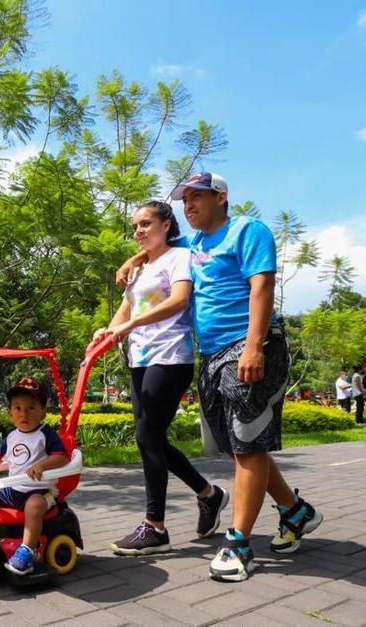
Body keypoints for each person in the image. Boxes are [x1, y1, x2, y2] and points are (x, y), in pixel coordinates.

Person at [118, 172, 322, 582]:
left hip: (248, 345)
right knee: (238, 445)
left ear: (221, 197)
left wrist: (253, 346)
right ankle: (296, 512)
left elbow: (261, 287)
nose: (189, 205)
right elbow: (159, 247)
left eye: (197, 197)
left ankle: (239, 543)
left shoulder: (248, 230)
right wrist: (133, 259)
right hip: (210, 353)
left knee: (247, 443)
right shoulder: (191, 243)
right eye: (185, 199)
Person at [92, 201, 227, 556]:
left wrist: (133, 323)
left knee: (147, 435)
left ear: (167, 225)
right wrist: (107, 332)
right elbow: (126, 309)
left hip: (171, 357)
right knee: (152, 440)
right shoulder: (137, 269)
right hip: (140, 358)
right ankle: (208, 494)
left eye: (146, 224)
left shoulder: (179, 257)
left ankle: (155, 526)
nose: (139, 231)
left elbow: (180, 300)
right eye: (135, 226)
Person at [0, 376, 69, 575]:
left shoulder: (45, 433)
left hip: (39, 491)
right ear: (10, 413)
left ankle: (27, 550)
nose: (24, 413)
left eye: (31, 407)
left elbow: (61, 457)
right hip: (13, 490)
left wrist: (41, 464)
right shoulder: (12, 436)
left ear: (43, 412)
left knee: (34, 505)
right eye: (18, 408)